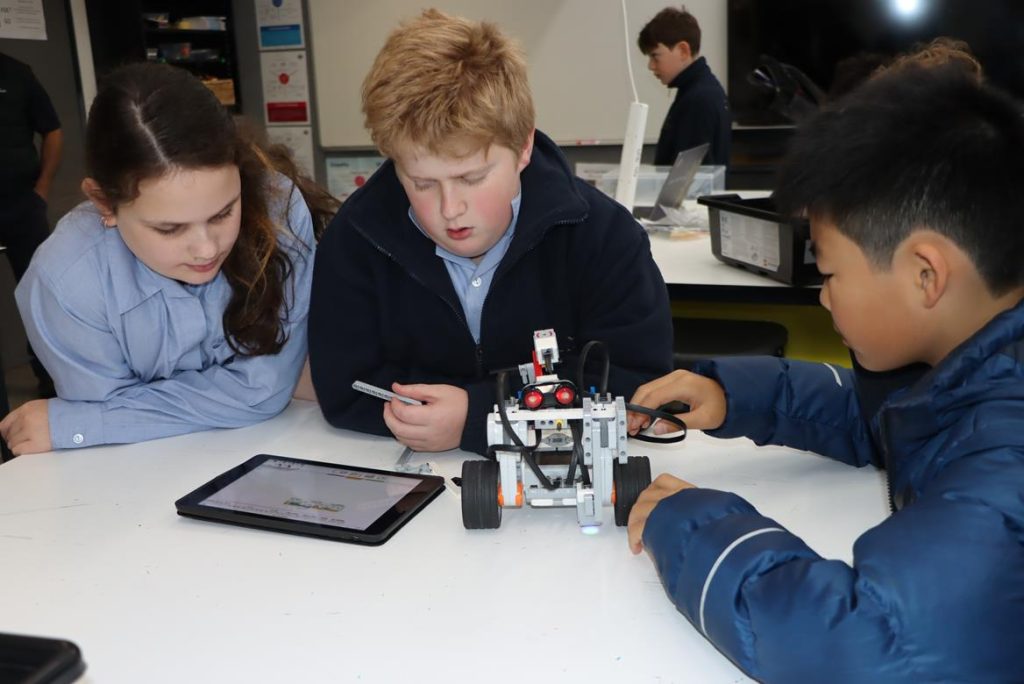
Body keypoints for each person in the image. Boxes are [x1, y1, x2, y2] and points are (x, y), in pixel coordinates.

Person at [624, 64, 1024, 682]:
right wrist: (734, 396)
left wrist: (698, 524)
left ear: (926, 274)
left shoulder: (1008, 451)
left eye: (830, 273)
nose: (823, 298)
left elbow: (864, 644)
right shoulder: (974, 367)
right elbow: (888, 416)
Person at [309, 9, 673, 455]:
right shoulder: (355, 240)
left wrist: (483, 416)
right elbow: (345, 390)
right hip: (403, 480)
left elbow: (640, 384)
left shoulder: (604, 236)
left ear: (523, 147)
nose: (449, 209)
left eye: (472, 178)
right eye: (421, 183)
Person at [0, 63, 337, 456]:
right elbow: (118, 429)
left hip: (276, 445)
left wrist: (80, 423)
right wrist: (111, 418)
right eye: (169, 229)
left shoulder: (280, 211)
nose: (207, 248)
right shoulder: (62, 281)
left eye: (223, 213)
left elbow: (264, 390)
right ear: (104, 203)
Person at [0, 51, 63, 396]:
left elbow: (52, 130)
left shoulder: (17, 73)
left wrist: (42, 188)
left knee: (39, 294)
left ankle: (51, 382)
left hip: (21, 202)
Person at [638, 6, 730, 166]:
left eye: (655, 56)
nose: (651, 66)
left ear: (683, 50)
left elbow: (689, 177)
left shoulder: (699, 99)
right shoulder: (700, 89)